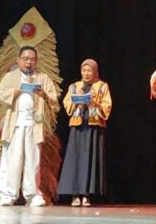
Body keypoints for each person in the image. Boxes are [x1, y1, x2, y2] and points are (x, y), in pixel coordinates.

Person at [0, 46, 59, 207]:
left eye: (32, 59)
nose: (29, 62)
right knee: (12, 159)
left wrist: (42, 94)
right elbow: (2, 93)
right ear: (18, 60)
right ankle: (8, 195)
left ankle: (32, 195)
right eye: (25, 59)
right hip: (15, 124)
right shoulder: (11, 77)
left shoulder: (42, 77)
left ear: (36, 61)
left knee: (33, 161)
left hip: (34, 124)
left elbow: (54, 99)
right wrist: (19, 90)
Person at [58, 59, 113, 206]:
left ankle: (86, 195)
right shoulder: (75, 86)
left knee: (89, 159)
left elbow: (107, 106)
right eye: (84, 71)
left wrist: (92, 103)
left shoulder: (102, 86)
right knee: (75, 159)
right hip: (78, 125)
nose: (87, 74)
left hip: (94, 126)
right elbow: (67, 103)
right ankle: (75, 195)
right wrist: (77, 100)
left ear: (95, 71)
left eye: (90, 71)